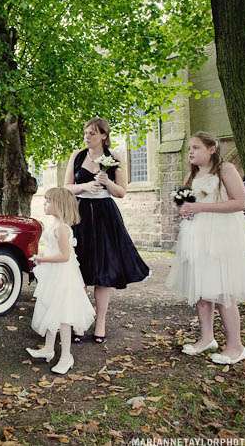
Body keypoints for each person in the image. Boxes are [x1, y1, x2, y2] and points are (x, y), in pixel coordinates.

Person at [167, 132, 245, 365]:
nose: (190, 152)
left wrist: (200, 208)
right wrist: (184, 209)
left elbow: (241, 202)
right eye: (190, 148)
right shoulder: (191, 175)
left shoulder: (225, 170)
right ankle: (207, 338)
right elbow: (185, 203)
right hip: (196, 237)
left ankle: (236, 346)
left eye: (196, 147)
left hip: (221, 237)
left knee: (222, 291)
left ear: (212, 149)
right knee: (201, 290)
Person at [64, 117, 149, 344]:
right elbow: (66, 187)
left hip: (105, 215)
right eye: (85, 132)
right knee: (79, 269)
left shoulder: (114, 158)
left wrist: (106, 182)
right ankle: (80, 321)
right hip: (80, 214)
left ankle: (100, 322)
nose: (87, 136)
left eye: (92, 133)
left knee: (104, 269)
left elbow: (121, 192)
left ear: (103, 135)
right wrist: (84, 186)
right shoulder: (77, 156)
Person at [26, 188, 96, 375]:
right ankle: (49, 349)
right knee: (51, 309)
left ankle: (66, 356)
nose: (45, 203)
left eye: (48, 201)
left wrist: (42, 259)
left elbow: (65, 256)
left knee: (64, 316)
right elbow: (53, 249)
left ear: (59, 205)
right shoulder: (54, 225)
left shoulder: (62, 228)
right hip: (54, 274)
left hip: (63, 277)